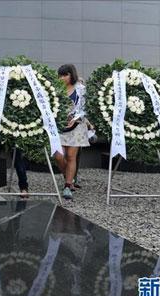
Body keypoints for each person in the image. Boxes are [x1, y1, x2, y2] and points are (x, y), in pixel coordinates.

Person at [54, 64, 90, 200]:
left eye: (65, 75)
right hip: (59, 127)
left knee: (71, 156)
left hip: (77, 126)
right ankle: (69, 177)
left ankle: (68, 185)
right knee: (58, 155)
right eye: (60, 75)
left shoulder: (81, 89)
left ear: (72, 75)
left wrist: (75, 119)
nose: (62, 78)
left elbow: (86, 108)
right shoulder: (56, 89)